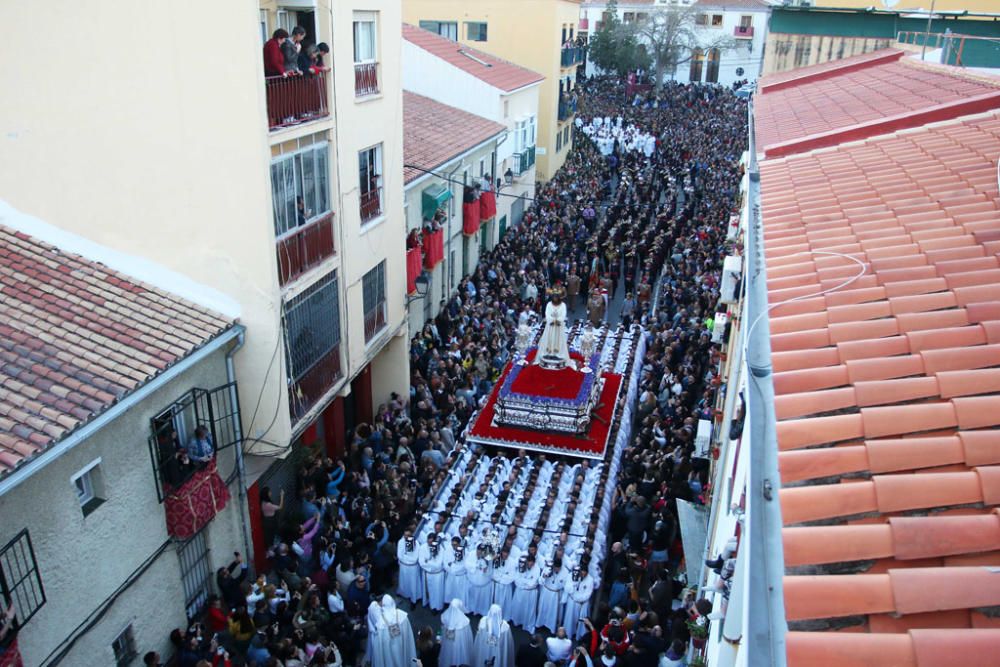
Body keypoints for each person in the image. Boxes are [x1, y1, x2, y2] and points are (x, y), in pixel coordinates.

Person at [535, 289, 570, 368]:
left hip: (558, 326)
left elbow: (563, 315)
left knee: (558, 340)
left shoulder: (563, 305)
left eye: (556, 297)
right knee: (549, 339)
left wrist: (558, 320)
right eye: (553, 297)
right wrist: (552, 320)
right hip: (550, 326)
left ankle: (558, 353)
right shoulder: (549, 304)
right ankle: (549, 353)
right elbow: (547, 314)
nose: (555, 298)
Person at [380, 595, 418, 667]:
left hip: (390, 649)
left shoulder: (381, 622)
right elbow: (408, 636)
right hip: (402, 644)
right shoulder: (402, 616)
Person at [439, 599, 474, 667]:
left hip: (448, 645)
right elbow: (468, 637)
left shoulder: (446, 617)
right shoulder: (464, 621)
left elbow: (442, 631)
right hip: (461, 647)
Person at [511, 555, 541, 632]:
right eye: (528, 563)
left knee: (530, 610)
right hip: (520, 591)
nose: (529, 565)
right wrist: (525, 582)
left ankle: (528, 625)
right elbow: (517, 579)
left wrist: (524, 581)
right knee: (519, 607)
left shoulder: (537, 569)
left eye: (531, 563)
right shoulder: (522, 566)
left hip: (531, 593)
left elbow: (533, 583)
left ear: (534, 563)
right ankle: (517, 621)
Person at [536, 559, 566, 633]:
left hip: (555, 595)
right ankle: (540, 624)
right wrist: (544, 576)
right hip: (546, 592)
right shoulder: (547, 569)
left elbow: (564, 586)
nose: (556, 569)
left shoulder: (565, 573)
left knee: (553, 611)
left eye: (558, 568)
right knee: (543, 608)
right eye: (555, 567)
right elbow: (540, 581)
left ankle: (551, 627)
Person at [419, 533, 446, 610]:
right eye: (428, 542)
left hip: (438, 575)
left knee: (437, 591)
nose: (429, 544)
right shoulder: (423, 547)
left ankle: (437, 607)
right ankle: (429, 603)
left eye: (431, 542)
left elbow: (439, 564)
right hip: (427, 574)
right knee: (429, 590)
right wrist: (430, 567)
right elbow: (421, 562)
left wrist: (428, 562)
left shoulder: (441, 549)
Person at [397, 528, 421, 603]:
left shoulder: (416, 543)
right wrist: (406, 558)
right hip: (403, 567)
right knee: (404, 581)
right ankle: (404, 593)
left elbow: (415, 559)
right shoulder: (401, 542)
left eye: (408, 535)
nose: (406, 537)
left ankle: (413, 600)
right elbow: (399, 556)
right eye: (405, 535)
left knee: (413, 583)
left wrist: (405, 557)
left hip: (412, 568)